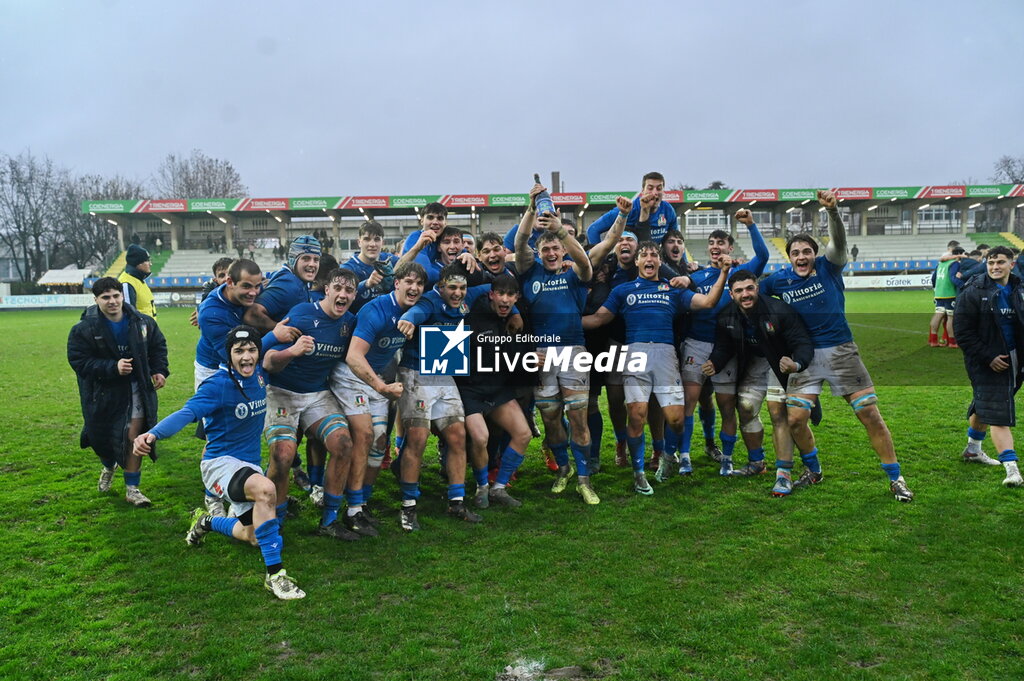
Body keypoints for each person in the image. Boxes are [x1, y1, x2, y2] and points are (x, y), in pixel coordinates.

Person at [759, 190, 914, 502]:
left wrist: (832, 212)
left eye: (806, 251)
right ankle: (814, 470)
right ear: (788, 257)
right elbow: (752, 292)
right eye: (795, 253)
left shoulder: (829, 268)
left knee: (869, 414)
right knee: (796, 419)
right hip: (805, 357)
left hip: (842, 352)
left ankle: (896, 478)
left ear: (816, 254)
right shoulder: (779, 281)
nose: (801, 257)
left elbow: (839, 243)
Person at [133, 326, 304, 600]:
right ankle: (276, 576)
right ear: (229, 356)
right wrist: (153, 434)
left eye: (251, 350)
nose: (246, 356)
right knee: (266, 490)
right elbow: (187, 413)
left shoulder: (260, 374)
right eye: (239, 351)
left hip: (248, 466)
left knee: (255, 537)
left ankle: (206, 521)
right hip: (220, 464)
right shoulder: (218, 385)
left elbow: (270, 337)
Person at [584, 240, 728, 495]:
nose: (649, 259)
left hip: (665, 355)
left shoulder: (672, 289)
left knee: (677, 420)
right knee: (637, 416)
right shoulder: (623, 291)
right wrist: (560, 323)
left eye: (654, 255)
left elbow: (707, 303)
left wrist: (725, 273)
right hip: (635, 354)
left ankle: (669, 457)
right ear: (637, 262)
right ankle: (639, 473)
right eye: (644, 255)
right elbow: (599, 318)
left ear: (660, 262)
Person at [262, 269, 365, 539]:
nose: (343, 295)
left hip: (318, 394)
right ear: (326, 290)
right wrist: (292, 350)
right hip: (281, 392)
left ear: (354, 295)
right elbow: (266, 358)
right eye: (338, 288)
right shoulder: (301, 314)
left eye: (349, 290)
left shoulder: (351, 323)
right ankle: (276, 521)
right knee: (282, 455)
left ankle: (329, 520)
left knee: (343, 444)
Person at [515, 182, 597, 504]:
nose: (551, 253)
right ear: (540, 252)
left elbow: (587, 263)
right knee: (550, 417)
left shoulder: (572, 274)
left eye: (555, 249)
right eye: (545, 249)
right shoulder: (528, 271)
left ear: (562, 250)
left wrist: (561, 231)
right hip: (541, 354)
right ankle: (563, 469)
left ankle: (585, 479)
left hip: (574, 352)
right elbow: (521, 240)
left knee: (578, 417)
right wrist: (533, 206)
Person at [673, 211, 770, 478]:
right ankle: (684, 456)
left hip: (728, 348)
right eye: (712, 244)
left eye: (721, 243)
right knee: (689, 402)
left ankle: (727, 458)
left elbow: (763, 256)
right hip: (696, 344)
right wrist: (684, 279)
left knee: (727, 404)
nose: (716, 248)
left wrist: (750, 225)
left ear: (729, 247)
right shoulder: (699, 275)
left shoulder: (740, 275)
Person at [338, 262, 425, 531]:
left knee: (379, 442)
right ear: (396, 283)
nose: (414, 288)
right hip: (352, 375)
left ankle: (361, 503)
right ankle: (350, 511)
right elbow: (353, 356)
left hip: (377, 379)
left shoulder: (413, 311)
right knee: (364, 435)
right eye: (408, 282)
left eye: (419, 284)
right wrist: (382, 387)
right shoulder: (376, 310)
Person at [701, 270, 814, 476]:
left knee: (777, 411)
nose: (745, 294)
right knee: (745, 407)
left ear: (757, 288)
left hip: (780, 363)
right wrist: (714, 362)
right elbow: (723, 347)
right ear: (731, 294)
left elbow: (802, 342)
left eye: (749, 288)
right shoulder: (726, 315)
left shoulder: (779, 310)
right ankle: (756, 462)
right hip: (755, 364)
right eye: (739, 290)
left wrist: (797, 363)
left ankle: (786, 469)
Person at [67, 277, 169, 506]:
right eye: (105, 297)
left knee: (135, 437)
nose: (112, 301)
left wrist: (159, 370)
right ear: (95, 300)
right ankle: (108, 465)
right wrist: (112, 367)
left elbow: (158, 347)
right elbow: (79, 361)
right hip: (101, 394)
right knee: (102, 438)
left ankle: (132, 489)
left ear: (122, 296)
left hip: (137, 389)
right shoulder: (83, 329)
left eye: (116, 296)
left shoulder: (143, 323)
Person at [458, 273, 533, 508]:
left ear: (516, 299)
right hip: (470, 389)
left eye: (510, 295)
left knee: (523, 433)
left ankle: (499, 488)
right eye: (500, 293)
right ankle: (481, 488)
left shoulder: (508, 319)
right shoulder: (472, 315)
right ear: (491, 294)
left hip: (496, 389)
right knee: (480, 437)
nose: (505, 299)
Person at [953, 246, 1024, 485]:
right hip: (987, 362)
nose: (995, 267)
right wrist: (988, 357)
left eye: (1000, 263)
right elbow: (962, 332)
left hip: (1014, 359)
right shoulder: (972, 291)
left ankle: (973, 449)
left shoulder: (1018, 288)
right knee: (998, 411)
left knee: (987, 403)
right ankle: (1012, 469)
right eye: (991, 262)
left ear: (1011, 265)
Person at [585, 171, 678, 246]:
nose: (654, 193)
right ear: (642, 190)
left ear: (663, 190)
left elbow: (677, 239)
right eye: (650, 188)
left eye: (659, 188)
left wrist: (684, 263)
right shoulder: (628, 209)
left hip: (651, 261)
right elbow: (593, 230)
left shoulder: (668, 210)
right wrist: (597, 260)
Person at [344, 220, 400, 312]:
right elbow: (341, 296)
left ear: (383, 242)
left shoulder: (390, 260)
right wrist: (366, 284)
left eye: (377, 239)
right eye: (367, 239)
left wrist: (417, 247)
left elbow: (404, 261)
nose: (372, 244)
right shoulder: (348, 268)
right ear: (359, 242)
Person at [929, 247, 964, 347]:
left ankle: (933, 340)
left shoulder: (940, 264)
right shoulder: (954, 263)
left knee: (938, 315)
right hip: (950, 293)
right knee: (951, 317)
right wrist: (963, 285)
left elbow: (933, 278)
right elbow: (953, 278)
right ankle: (952, 342)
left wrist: (937, 289)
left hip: (939, 293)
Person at [189, 257, 234, 327]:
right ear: (216, 280)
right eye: (222, 276)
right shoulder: (210, 297)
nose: (226, 278)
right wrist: (202, 311)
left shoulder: (250, 292)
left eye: (230, 274)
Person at [118, 244, 157, 318]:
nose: (150, 264)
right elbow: (128, 315)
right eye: (147, 261)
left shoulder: (137, 279)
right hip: (140, 329)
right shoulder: (127, 283)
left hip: (148, 328)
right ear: (139, 264)